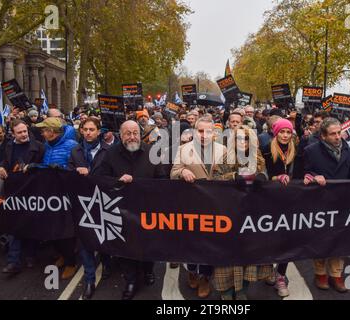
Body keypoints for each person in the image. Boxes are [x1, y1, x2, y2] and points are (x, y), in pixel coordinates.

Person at [96, 120, 167, 300]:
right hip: (121, 211)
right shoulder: (111, 154)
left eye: (135, 132)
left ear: (140, 133)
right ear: (121, 135)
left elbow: (162, 179)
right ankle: (130, 280)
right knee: (126, 247)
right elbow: (100, 178)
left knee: (148, 244)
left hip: (148, 210)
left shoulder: (152, 152)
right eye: (127, 133)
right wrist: (117, 180)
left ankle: (148, 270)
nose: (132, 137)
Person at [304, 117, 350, 293]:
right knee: (321, 238)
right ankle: (320, 273)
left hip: (342, 201)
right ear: (323, 136)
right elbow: (303, 173)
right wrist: (314, 175)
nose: (338, 137)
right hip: (320, 202)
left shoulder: (346, 148)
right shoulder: (311, 150)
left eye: (339, 133)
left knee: (340, 238)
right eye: (333, 134)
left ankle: (336, 275)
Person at [212, 125, 273, 300]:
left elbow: (265, 175)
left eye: (246, 138)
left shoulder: (258, 158)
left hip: (251, 212)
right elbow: (214, 180)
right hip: (228, 212)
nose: (242, 142)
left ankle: (242, 290)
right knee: (227, 253)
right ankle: (226, 290)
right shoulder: (225, 158)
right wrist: (233, 177)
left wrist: (263, 176)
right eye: (239, 138)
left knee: (248, 253)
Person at [171, 116, 227, 299]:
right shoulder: (183, 149)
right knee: (192, 242)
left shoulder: (223, 150)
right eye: (200, 131)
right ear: (195, 132)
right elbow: (173, 173)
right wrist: (182, 171)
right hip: (192, 206)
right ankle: (192, 271)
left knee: (211, 244)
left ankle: (205, 278)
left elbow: (230, 175)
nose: (204, 135)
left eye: (208, 131)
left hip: (215, 206)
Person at [68, 117, 111, 299]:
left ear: (99, 131)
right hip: (82, 202)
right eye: (85, 129)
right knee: (85, 240)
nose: (87, 132)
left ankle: (107, 262)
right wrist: (76, 171)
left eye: (91, 129)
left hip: (103, 201)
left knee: (104, 237)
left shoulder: (109, 151)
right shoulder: (75, 151)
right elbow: (68, 172)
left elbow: (113, 173)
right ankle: (89, 279)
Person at [0, 120, 45, 273]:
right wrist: (1, 167)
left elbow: (44, 168)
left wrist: (32, 168)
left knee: (30, 224)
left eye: (25, 131)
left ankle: (31, 255)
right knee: (14, 226)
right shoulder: (9, 145)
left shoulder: (39, 147)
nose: (24, 134)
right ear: (13, 134)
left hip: (32, 192)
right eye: (20, 132)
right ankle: (14, 261)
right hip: (14, 191)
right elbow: (4, 161)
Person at [35, 117, 79, 279]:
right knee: (52, 228)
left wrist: (62, 169)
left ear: (52, 132)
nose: (42, 133)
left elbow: (78, 169)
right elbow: (46, 167)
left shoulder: (72, 146)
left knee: (66, 230)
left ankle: (71, 263)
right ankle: (62, 255)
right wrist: (35, 167)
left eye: (44, 130)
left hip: (66, 195)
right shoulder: (47, 146)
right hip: (50, 194)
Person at [262, 118, 298, 297]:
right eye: (282, 132)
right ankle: (268, 268)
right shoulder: (266, 151)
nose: (285, 135)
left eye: (288, 132)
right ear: (276, 133)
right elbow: (261, 175)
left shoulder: (297, 151)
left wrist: (307, 176)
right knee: (269, 237)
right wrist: (275, 178)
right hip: (270, 201)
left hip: (291, 202)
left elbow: (302, 171)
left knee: (289, 239)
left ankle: (281, 275)